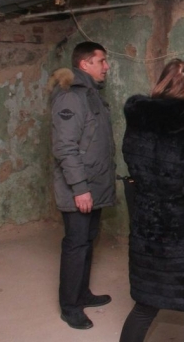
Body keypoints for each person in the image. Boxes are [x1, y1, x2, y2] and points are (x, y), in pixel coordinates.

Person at [119, 59, 184, 342]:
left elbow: (138, 168)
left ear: (163, 82)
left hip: (148, 228)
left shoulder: (137, 118)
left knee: (144, 307)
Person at [49, 41, 116, 330]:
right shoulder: (71, 97)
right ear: (85, 63)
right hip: (80, 188)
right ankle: (70, 306)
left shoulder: (90, 93)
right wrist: (80, 188)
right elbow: (65, 148)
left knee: (87, 241)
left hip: (94, 184)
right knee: (76, 245)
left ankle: (81, 293)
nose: (106, 66)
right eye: (101, 61)